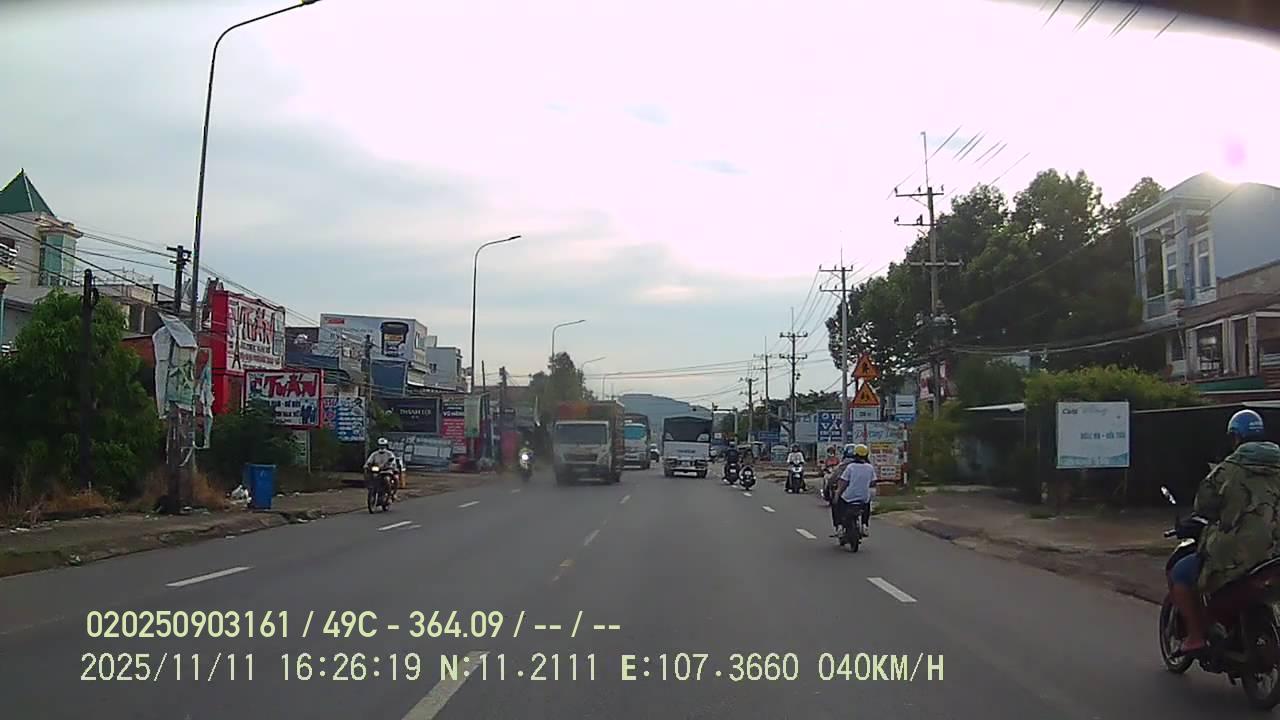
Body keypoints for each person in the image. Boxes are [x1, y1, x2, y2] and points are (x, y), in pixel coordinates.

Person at [1169, 409, 1280, 656]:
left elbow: (1203, 505)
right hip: (1275, 555)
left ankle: (1195, 638)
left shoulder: (1228, 470)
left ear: (1235, 438)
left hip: (1239, 554)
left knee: (1181, 574)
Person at [832, 444, 876, 537]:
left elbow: (843, 482)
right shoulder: (870, 468)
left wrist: (837, 493)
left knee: (836, 505)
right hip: (863, 497)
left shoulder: (850, 467)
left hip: (849, 497)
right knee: (867, 504)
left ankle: (839, 526)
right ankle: (864, 525)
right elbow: (872, 483)